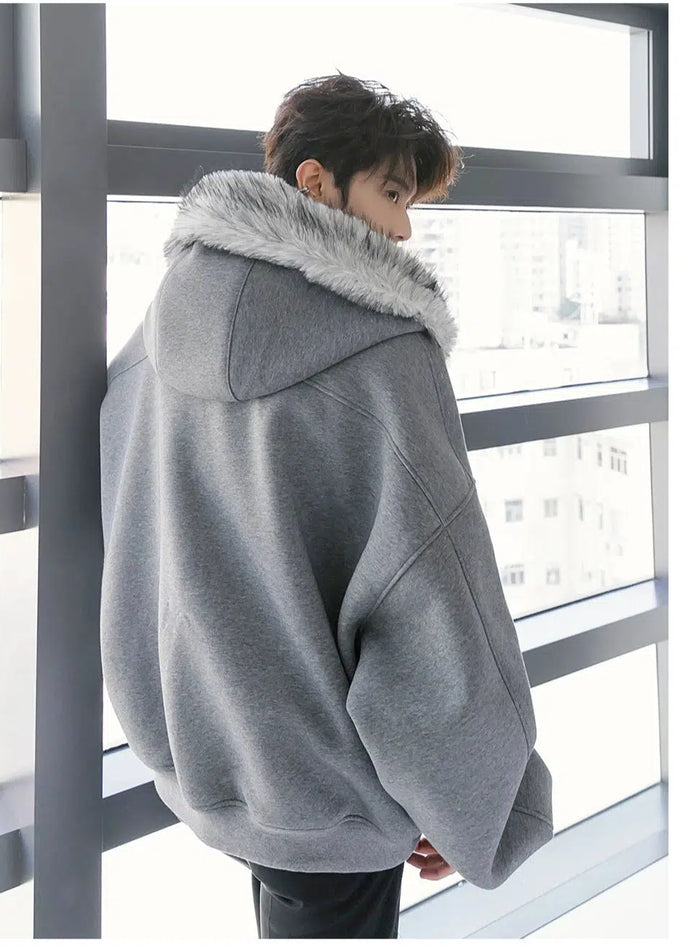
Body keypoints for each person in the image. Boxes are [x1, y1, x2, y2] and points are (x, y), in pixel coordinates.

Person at [98, 72, 553, 939]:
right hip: (336, 796)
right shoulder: (388, 356)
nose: (405, 229)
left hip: (211, 760)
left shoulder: (155, 334)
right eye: (393, 194)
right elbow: (432, 602)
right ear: (315, 182)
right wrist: (473, 806)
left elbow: (133, 523)